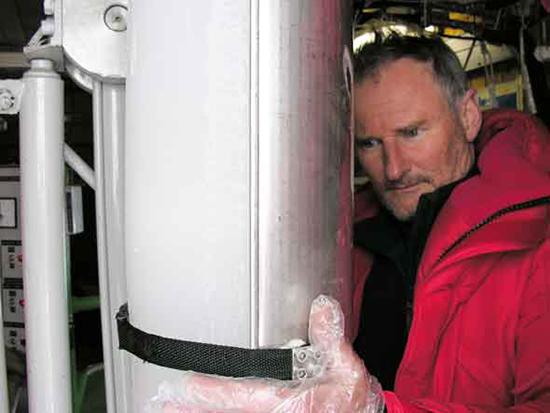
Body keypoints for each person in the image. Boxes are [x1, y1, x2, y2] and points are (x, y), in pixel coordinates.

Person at [156, 35, 550, 412]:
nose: (394, 169)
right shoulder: (348, 237)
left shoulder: (537, 235)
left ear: (467, 116)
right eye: (370, 143)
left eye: (411, 133)